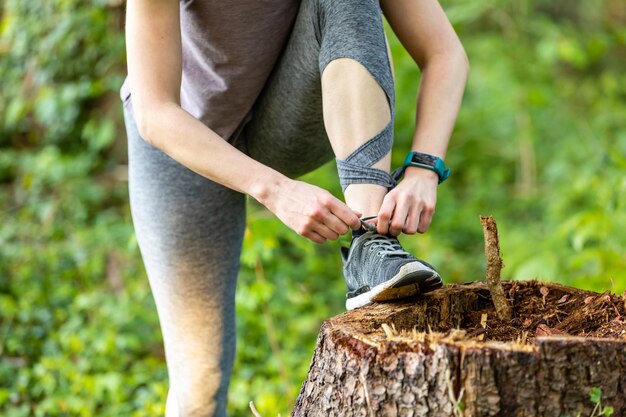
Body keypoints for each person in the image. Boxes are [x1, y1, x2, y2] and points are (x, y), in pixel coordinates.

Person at [120, 0, 468, 415]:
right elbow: (155, 112)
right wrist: (275, 190)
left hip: (286, 113)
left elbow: (444, 53)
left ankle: (369, 242)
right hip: (184, 136)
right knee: (199, 377)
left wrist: (424, 170)